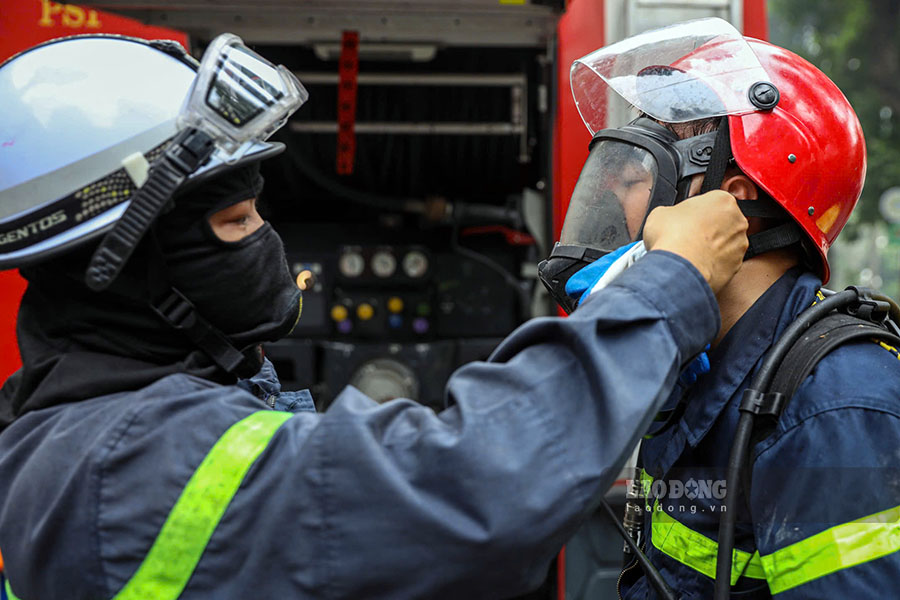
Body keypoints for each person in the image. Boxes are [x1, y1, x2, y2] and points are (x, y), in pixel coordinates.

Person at [0, 33, 751, 600]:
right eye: (234, 222)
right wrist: (669, 284)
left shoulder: (83, 429)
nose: (268, 243)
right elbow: (481, 485)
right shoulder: (126, 468)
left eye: (261, 209)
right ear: (121, 270)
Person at [541, 18, 900, 599]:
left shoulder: (836, 404)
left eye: (636, 174)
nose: (612, 193)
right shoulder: (700, 364)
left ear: (726, 203)